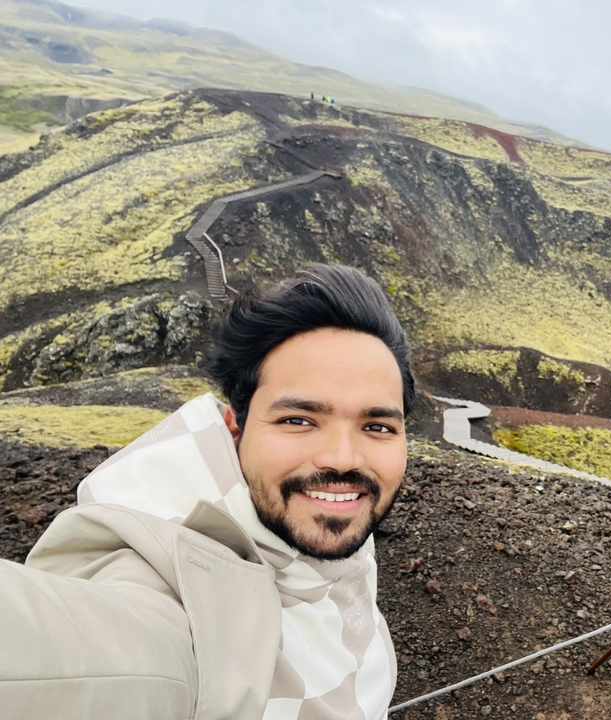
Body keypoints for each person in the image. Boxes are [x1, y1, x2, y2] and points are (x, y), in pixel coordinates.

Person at [0, 264, 414, 720]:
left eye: (377, 426)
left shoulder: (324, 535)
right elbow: (90, 664)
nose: (343, 458)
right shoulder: (156, 577)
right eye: (298, 420)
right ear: (233, 428)